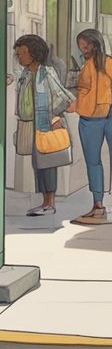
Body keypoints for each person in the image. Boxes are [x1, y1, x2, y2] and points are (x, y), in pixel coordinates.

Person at [9, 34, 74, 217]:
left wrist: (55, 117)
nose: (19, 56)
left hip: (46, 122)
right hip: (30, 123)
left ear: (34, 54)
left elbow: (60, 95)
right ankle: (44, 202)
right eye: (18, 53)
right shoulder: (25, 74)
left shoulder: (46, 72)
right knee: (38, 163)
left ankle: (50, 203)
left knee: (48, 161)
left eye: (23, 53)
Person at [72, 29, 112, 225]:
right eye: (80, 45)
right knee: (93, 163)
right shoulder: (86, 66)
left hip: (107, 117)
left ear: (95, 44)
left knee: (95, 162)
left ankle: (99, 208)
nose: (83, 48)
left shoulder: (109, 63)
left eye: (86, 44)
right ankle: (98, 206)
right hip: (89, 120)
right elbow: (83, 91)